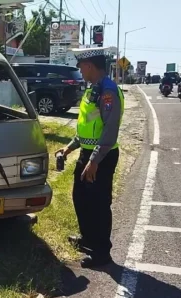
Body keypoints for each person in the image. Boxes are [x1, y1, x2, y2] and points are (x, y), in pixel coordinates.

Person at [55, 47, 124, 268]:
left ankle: (102, 253)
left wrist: (94, 161)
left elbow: (109, 130)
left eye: (81, 67)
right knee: (81, 198)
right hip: (89, 154)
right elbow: (87, 128)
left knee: (98, 204)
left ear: (89, 66)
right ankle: (88, 239)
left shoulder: (108, 91)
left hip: (102, 157)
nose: (79, 71)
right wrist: (69, 148)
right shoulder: (93, 89)